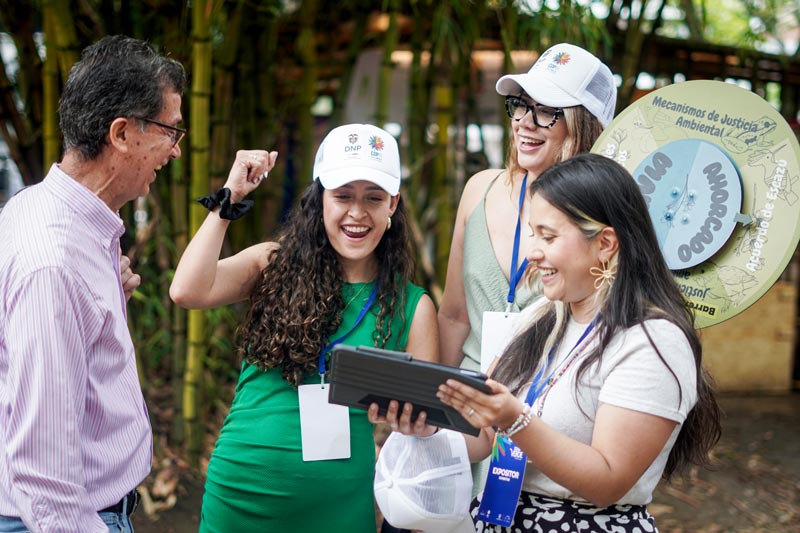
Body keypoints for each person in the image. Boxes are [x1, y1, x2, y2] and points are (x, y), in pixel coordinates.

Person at [169, 123, 439, 532]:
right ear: (320, 200)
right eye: (343, 196)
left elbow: (428, 421)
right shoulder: (270, 263)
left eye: (373, 198)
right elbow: (187, 290)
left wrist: (414, 422)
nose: (357, 212)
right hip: (242, 489)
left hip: (339, 503)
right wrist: (229, 199)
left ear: (393, 205)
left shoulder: (412, 306)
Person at [434, 153, 722, 531]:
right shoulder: (539, 317)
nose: (532, 253)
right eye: (533, 233)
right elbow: (484, 436)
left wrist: (515, 419)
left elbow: (608, 480)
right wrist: (424, 426)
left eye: (548, 237)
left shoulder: (653, 340)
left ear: (605, 243)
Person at [0, 35, 185, 533]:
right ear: (122, 133)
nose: (175, 152)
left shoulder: (37, 208)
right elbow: (44, 470)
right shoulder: (55, 263)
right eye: (171, 131)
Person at [437, 42, 617, 495]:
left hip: (549, 421)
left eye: (547, 112)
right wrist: (434, 408)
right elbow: (455, 315)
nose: (523, 123)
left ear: (583, 126)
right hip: (468, 416)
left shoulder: (606, 219)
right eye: (520, 106)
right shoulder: (480, 188)